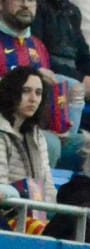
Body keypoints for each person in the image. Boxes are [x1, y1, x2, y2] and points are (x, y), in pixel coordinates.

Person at [0, 66, 54, 209]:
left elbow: (47, 186)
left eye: (38, 93)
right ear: (11, 92)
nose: (33, 99)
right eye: (26, 91)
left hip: (33, 215)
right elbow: (1, 188)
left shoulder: (37, 135)